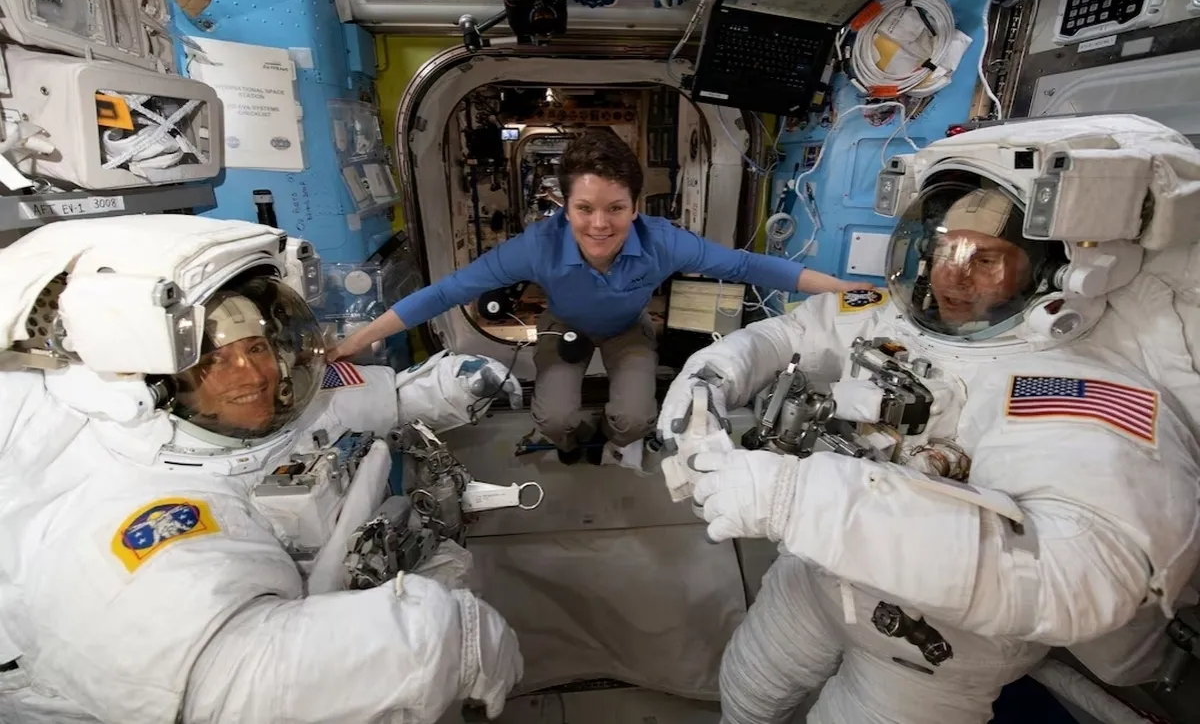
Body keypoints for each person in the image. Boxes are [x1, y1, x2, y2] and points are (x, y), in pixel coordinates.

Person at [655, 171, 1200, 723]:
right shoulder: (892, 317)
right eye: (943, 252)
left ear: (1045, 271)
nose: (952, 276)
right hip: (815, 577)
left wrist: (799, 500)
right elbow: (783, 336)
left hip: (929, 648)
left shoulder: (1076, 385)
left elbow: (1079, 578)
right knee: (746, 691)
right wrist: (709, 379)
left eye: (985, 260)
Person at [0, 214, 525, 724]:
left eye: (256, 347)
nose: (252, 373)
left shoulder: (246, 417)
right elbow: (234, 677)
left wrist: (443, 388)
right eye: (213, 360)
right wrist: (449, 643)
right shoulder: (124, 501)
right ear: (147, 384)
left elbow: (341, 404)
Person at [331, 128, 864, 464]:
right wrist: (359, 340)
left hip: (629, 328)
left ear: (636, 206)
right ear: (564, 207)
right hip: (564, 325)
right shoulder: (537, 247)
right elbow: (447, 292)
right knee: (555, 420)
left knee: (635, 420)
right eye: (584, 209)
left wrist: (841, 290)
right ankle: (575, 443)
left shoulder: (663, 242)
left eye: (616, 208)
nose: (600, 224)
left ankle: (612, 440)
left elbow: (748, 266)